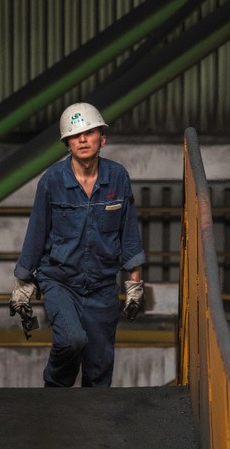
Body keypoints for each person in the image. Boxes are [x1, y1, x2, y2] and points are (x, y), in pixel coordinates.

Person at [9, 102, 146, 387]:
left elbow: (128, 230)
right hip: (60, 281)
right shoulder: (52, 181)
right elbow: (36, 231)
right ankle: (55, 393)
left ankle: (91, 428)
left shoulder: (117, 177)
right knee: (71, 341)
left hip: (102, 286)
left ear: (102, 139)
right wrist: (23, 283)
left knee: (98, 371)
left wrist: (134, 283)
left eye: (89, 132)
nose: (82, 139)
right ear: (67, 144)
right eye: (75, 135)